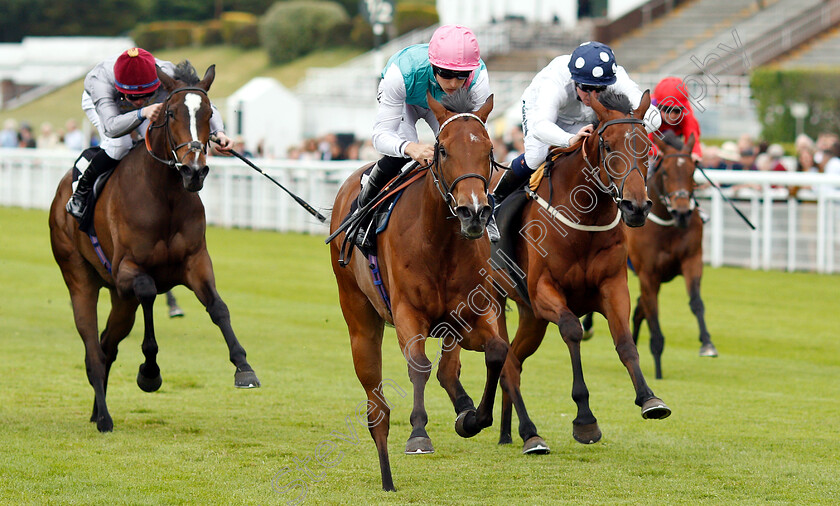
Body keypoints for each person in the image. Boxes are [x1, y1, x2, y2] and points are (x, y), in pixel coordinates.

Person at [351, 24, 492, 240]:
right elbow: (380, 136)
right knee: (402, 157)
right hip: (406, 101)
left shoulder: (479, 77)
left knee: (465, 153)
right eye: (445, 74)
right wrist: (409, 147)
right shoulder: (400, 73)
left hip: (444, 108)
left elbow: (475, 138)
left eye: (461, 75)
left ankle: (485, 212)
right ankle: (361, 212)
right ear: (433, 65)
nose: (453, 83)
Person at [65, 47, 232, 222]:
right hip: (109, 106)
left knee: (158, 140)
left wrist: (219, 132)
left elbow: (200, 100)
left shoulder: (168, 72)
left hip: (148, 104)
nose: (139, 101)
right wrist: (141, 112)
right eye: (133, 96)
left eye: (146, 95)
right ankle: (81, 193)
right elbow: (111, 127)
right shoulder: (99, 81)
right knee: (120, 145)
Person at [491, 41, 661, 206]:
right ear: (575, 81)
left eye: (600, 89)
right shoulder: (555, 82)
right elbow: (540, 126)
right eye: (586, 88)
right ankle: (496, 200)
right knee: (536, 157)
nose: (593, 96)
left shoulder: (617, 78)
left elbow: (655, 118)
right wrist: (569, 139)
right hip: (543, 112)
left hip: (586, 118)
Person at [649, 76, 702, 161]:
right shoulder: (649, 109)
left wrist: (695, 154)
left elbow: (692, 135)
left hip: (672, 139)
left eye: (677, 110)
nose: (672, 115)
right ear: (658, 106)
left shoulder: (687, 112)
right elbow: (641, 142)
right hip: (651, 139)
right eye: (668, 109)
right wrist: (655, 151)